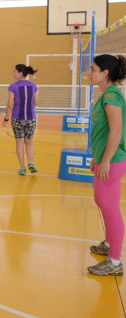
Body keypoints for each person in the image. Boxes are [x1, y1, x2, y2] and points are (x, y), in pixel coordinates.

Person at [87, 54, 126, 276]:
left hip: (113, 161)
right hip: (106, 159)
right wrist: (98, 157)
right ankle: (110, 245)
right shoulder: (107, 95)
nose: (89, 73)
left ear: (105, 73)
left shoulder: (112, 96)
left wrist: (107, 160)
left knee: (110, 209)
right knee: (102, 202)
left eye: (93, 69)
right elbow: (104, 133)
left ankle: (114, 262)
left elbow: (117, 131)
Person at [3, 64, 39, 175]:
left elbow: (9, 104)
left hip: (17, 118)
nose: (13, 73)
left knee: (19, 142)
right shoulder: (33, 85)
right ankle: (31, 162)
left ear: (20, 73)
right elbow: (36, 103)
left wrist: (6, 119)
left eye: (15, 71)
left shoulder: (13, 86)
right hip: (31, 118)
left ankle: (22, 167)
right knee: (29, 141)